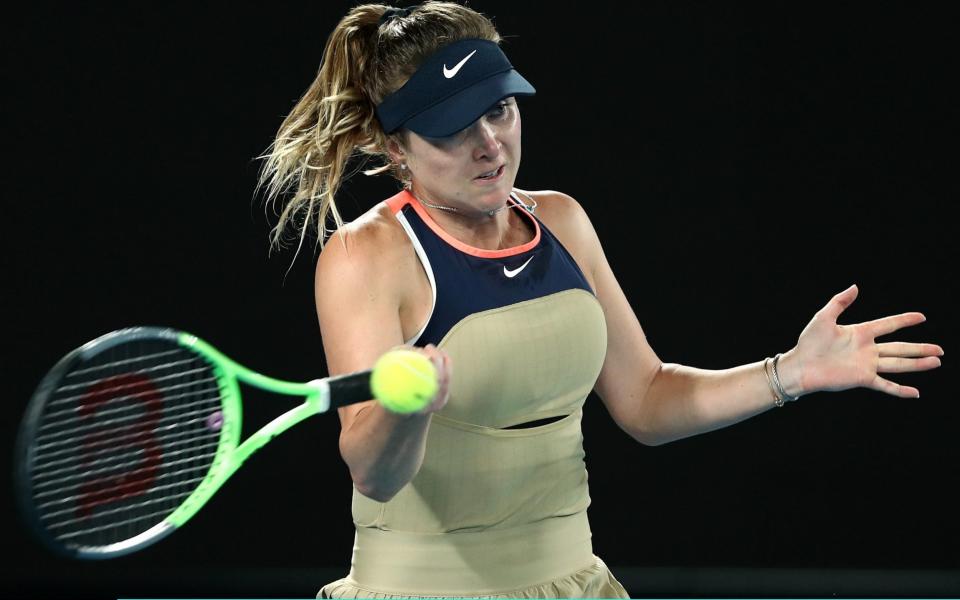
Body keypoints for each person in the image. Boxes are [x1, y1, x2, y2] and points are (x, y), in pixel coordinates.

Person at [257, 2, 944, 597]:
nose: (489, 144)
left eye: (498, 109)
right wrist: (406, 409)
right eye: (452, 128)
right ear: (394, 145)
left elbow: (646, 400)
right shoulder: (365, 257)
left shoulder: (562, 221)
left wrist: (788, 373)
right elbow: (373, 472)